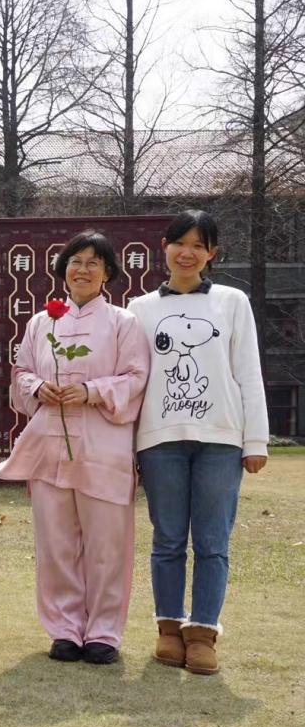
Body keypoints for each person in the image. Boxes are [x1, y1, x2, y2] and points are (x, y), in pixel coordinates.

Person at [0, 231, 150, 664]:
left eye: (93, 262)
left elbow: (136, 378)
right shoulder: (41, 323)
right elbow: (21, 372)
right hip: (50, 445)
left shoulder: (123, 323)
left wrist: (92, 391)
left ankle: (103, 632)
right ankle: (64, 629)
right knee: (56, 543)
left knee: (107, 544)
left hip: (103, 446)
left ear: (108, 273)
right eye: (75, 261)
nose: (83, 269)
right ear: (63, 270)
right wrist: (37, 387)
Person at [128, 210, 268, 675]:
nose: (187, 253)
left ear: (212, 254)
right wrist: (127, 446)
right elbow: (133, 380)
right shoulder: (139, 309)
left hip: (220, 441)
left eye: (198, 245)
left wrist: (255, 440)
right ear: (164, 247)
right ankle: (169, 628)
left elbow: (248, 371)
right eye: (179, 243)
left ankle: (204, 632)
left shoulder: (233, 302)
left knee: (212, 542)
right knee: (167, 539)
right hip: (159, 440)